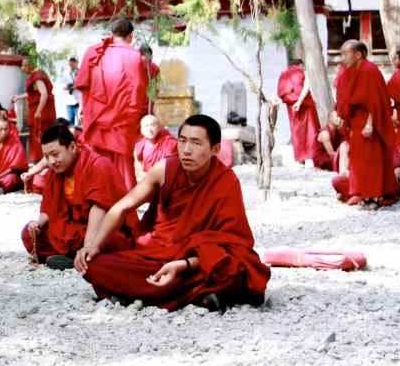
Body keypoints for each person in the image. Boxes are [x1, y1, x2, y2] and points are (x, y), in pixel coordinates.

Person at [76, 115, 270, 311]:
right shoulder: (165, 169)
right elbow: (122, 207)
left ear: (215, 149)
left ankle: (140, 292)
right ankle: (197, 294)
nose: (186, 150)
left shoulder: (226, 182)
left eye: (196, 143)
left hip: (193, 261)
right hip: (156, 253)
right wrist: (93, 245)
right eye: (182, 141)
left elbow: (235, 243)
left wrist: (183, 265)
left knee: (239, 267)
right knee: (92, 264)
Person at [20, 122, 136, 269]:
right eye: (46, 157)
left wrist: (88, 246)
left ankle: (80, 256)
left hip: (99, 229)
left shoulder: (97, 165)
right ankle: (76, 258)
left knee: (109, 240)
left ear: (73, 147)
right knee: (29, 234)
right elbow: (49, 208)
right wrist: (38, 224)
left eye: (55, 155)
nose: (51, 162)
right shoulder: (55, 172)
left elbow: (99, 209)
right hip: (72, 231)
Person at [74, 19, 149, 189]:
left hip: (96, 117)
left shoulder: (94, 52)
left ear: (112, 34)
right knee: (123, 166)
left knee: (97, 161)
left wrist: (83, 108)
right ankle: (124, 208)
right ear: (131, 36)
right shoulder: (134, 56)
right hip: (122, 119)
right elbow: (138, 89)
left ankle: (96, 201)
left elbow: (84, 85)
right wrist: (137, 115)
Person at [330, 41, 400, 208]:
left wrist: (369, 124)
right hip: (355, 122)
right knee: (357, 160)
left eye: (345, 54)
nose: (343, 58)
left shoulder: (370, 70)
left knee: (371, 160)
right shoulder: (348, 73)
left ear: (358, 54)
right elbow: (343, 98)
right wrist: (339, 116)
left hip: (370, 122)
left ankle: (374, 195)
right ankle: (361, 191)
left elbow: (376, 101)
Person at [276, 58, 320, 167]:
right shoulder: (303, 72)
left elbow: (281, 92)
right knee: (311, 131)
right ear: (300, 65)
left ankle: (301, 160)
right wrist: (300, 101)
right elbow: (306, 87)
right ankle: (314, 158)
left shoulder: (284, 74)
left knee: (297, 132)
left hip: (291, 104)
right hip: (305, 103)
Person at [14, 59, 53, 163]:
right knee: (36, 138)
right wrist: (19, 96)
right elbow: (34, 94)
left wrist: (38, 111)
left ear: (28, 66)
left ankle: (42, 162)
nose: (22, 68)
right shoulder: (35, 76)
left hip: (42, 114)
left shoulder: (37, 77)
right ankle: (39, 161)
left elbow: (44, 94)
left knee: (41, 137)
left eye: (23, 66)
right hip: (38, 112)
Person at [0, 113, 27, 195]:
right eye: (0, 129)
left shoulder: (15, 143)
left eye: (6, 129)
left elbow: (13, 168)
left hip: (6, 175)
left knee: (10, 179)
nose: (4, 132)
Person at [134, 114, 177, 180]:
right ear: (141, 130)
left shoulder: (170, 143)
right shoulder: (140, 146)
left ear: (159, 127)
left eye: (153, 125)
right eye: (146, 126)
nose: (149, 130)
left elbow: (173, 167)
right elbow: (138, 171)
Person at [65, 57, 80, 126]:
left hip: (79, 103)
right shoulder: (65, 73)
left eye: (74, 61)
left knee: (80, 123)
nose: (72, 63)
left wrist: (75, 86)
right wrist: (68, 87)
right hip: (69, 102)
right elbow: (62, 86)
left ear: (77, 62)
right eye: (70, 61)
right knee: (70, 124)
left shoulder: (81, 72)